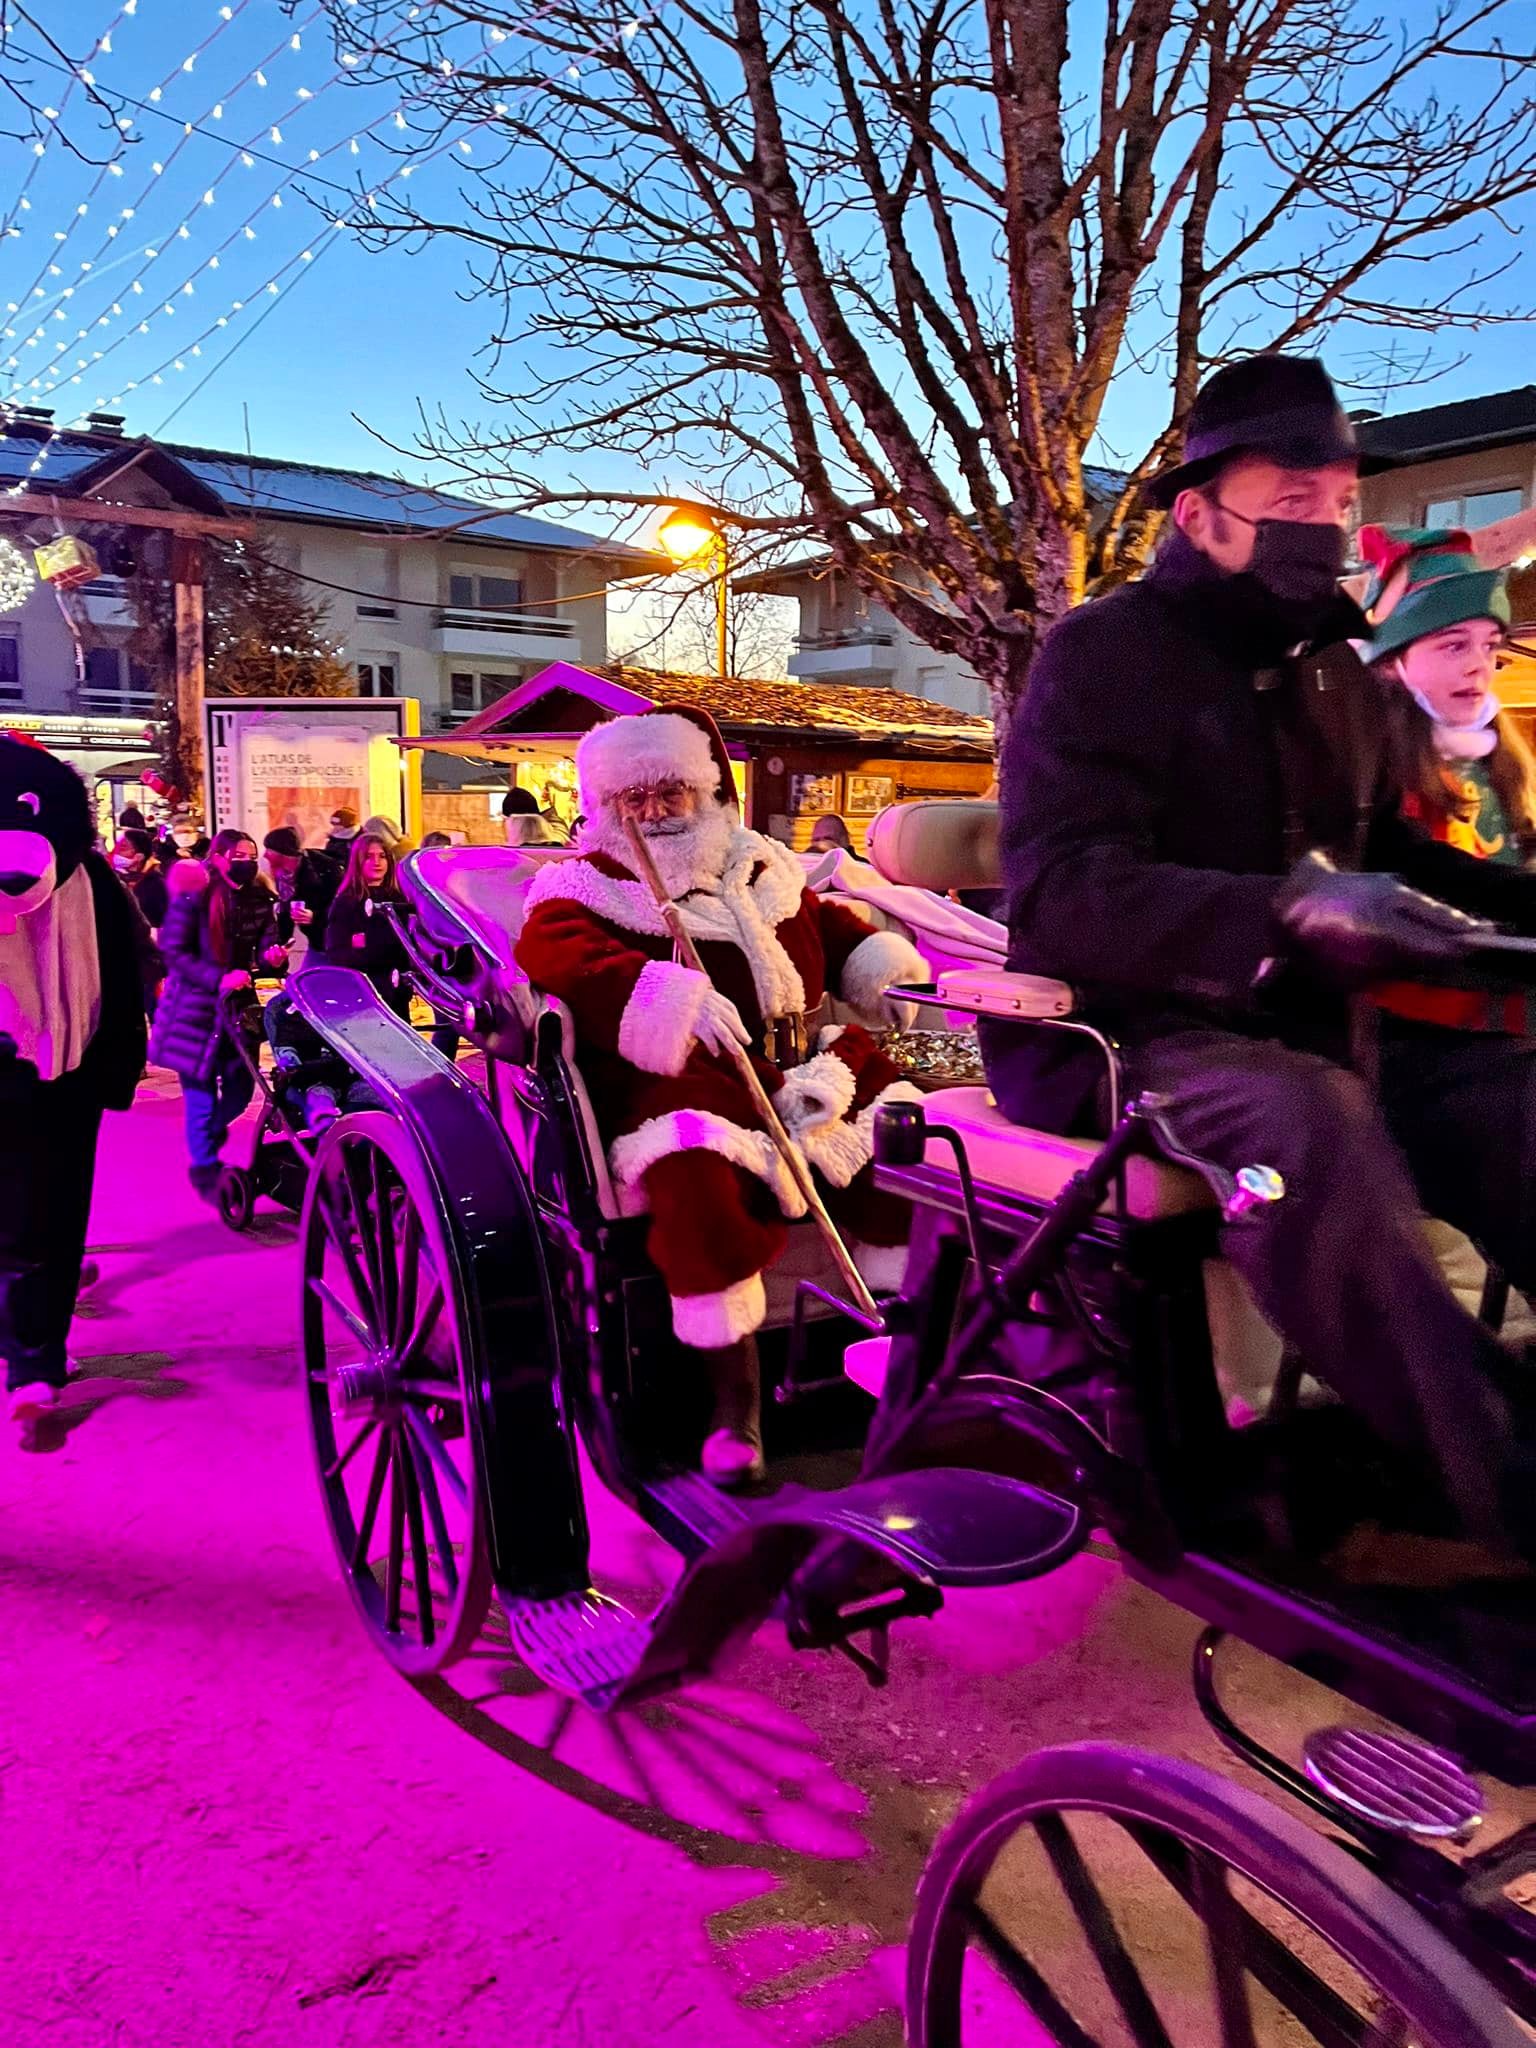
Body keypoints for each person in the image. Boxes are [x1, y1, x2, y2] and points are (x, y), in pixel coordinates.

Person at [985, 351, 1536, 1562]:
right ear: (1198, 513)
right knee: (1312, 1124)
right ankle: (1498, 1479)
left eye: (1340, 501)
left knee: (1515, 1105)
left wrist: (1516, 911)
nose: (1327, 525)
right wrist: (1284, 915)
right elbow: (1066, 887)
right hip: (1123, 1031)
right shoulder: (1104, 653)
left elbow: (1387, 842)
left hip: (1313, 1022)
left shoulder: (1339, 662)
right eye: (1294, 501)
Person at [515, 706, 925, 1486]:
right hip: (680, 1082)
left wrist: (876, 962)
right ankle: (733, 1405)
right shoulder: (581, 885)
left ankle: (896, 1351)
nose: (652, 814)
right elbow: (557, 953)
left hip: (808, 1066)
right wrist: (670, 995)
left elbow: (826, 928)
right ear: (604, 809)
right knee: (691, 1174)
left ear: (706, 792)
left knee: (907, 1140)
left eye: (668, 793)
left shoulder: (762, 863)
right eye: (631, 801)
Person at [150, 830, 284, 1198]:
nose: (246, 861)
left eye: (251, 854)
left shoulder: (259, 895)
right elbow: (173, 952)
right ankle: (205, 1166)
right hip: (192, 1010)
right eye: (239, 854)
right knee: (200, 1095)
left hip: (237, 1009)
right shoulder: (194, 896)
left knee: (241, 1089)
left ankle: (206, 1137)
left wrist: (271, 954)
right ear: (220, 857)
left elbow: (266, 939)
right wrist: (218, 978)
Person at [322, 831, 413, 1019]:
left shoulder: (400, 899)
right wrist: (367, 951)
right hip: (364, 992)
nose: (377, 862)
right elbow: (336, 952)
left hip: (397, 990)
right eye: (369, 857)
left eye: (382, 856)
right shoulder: (347, 902)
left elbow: (407, 946)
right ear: (358, 862)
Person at [261, 826, 342, 956]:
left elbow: (342, 908)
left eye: (269, 849)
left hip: (338, 945)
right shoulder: (282, 874)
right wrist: (279, 945)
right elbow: (285, 911)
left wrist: (315, 917)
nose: (265, 854)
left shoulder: (325, 868)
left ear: (283, 852)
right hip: (316, 944)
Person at [110, 826, 170, 933]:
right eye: (116, 847)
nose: (116, 853)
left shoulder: (156, 884)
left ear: (140, 855)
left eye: (123, 848)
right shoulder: (111, 880)